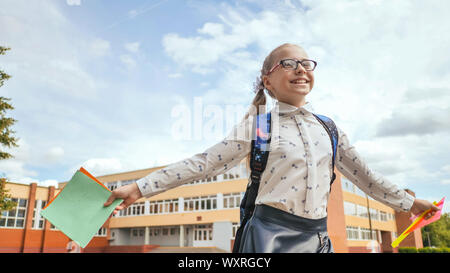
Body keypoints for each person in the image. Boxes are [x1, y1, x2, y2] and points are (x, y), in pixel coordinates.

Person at [104, 43, 440, 253]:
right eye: (289, 64)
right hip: (270, 236)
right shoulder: (259, 125)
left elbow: (366, 177)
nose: (300, 69)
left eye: (307, 63)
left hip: (319, 238)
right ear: (267, 80)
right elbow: (204, 163)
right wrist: (139, 187)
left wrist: (411, 203)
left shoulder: (329, 128)